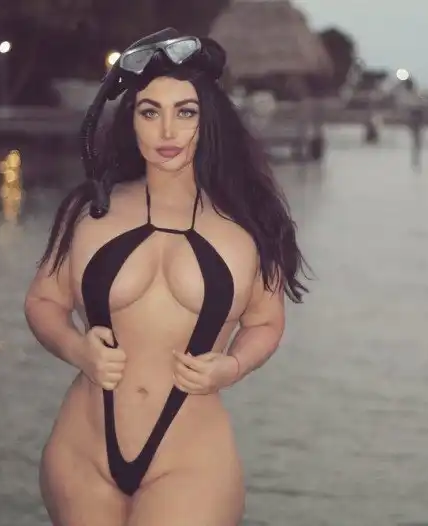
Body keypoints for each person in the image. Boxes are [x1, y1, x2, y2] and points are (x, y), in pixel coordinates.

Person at [24, 28, 308, 526]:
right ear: (130, 120)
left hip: (190, 460)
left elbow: (266, 321)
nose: (167, 131)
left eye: (186, 112)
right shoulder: (89, 210)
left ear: (208, 120)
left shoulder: (248, 225)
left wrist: (232, 367)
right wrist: (76, 350)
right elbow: (43, 301)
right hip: (82, 449)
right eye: (150, 112)